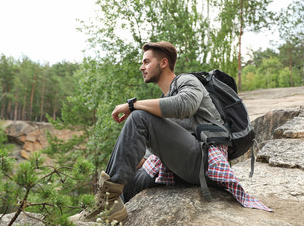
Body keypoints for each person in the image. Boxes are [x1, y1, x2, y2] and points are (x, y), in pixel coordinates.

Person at [69, 41, 271, 224]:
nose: (142, 67)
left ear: (163, 63)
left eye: (147, 62)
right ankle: (104, 210)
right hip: (182, 166)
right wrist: (129, 161)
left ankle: (105, 203)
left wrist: (132, 105)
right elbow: (150, 152)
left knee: (139, 116)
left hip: (206, 162)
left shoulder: (188, 82)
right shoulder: (164, 100)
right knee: (128, 180)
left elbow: (185, 105)